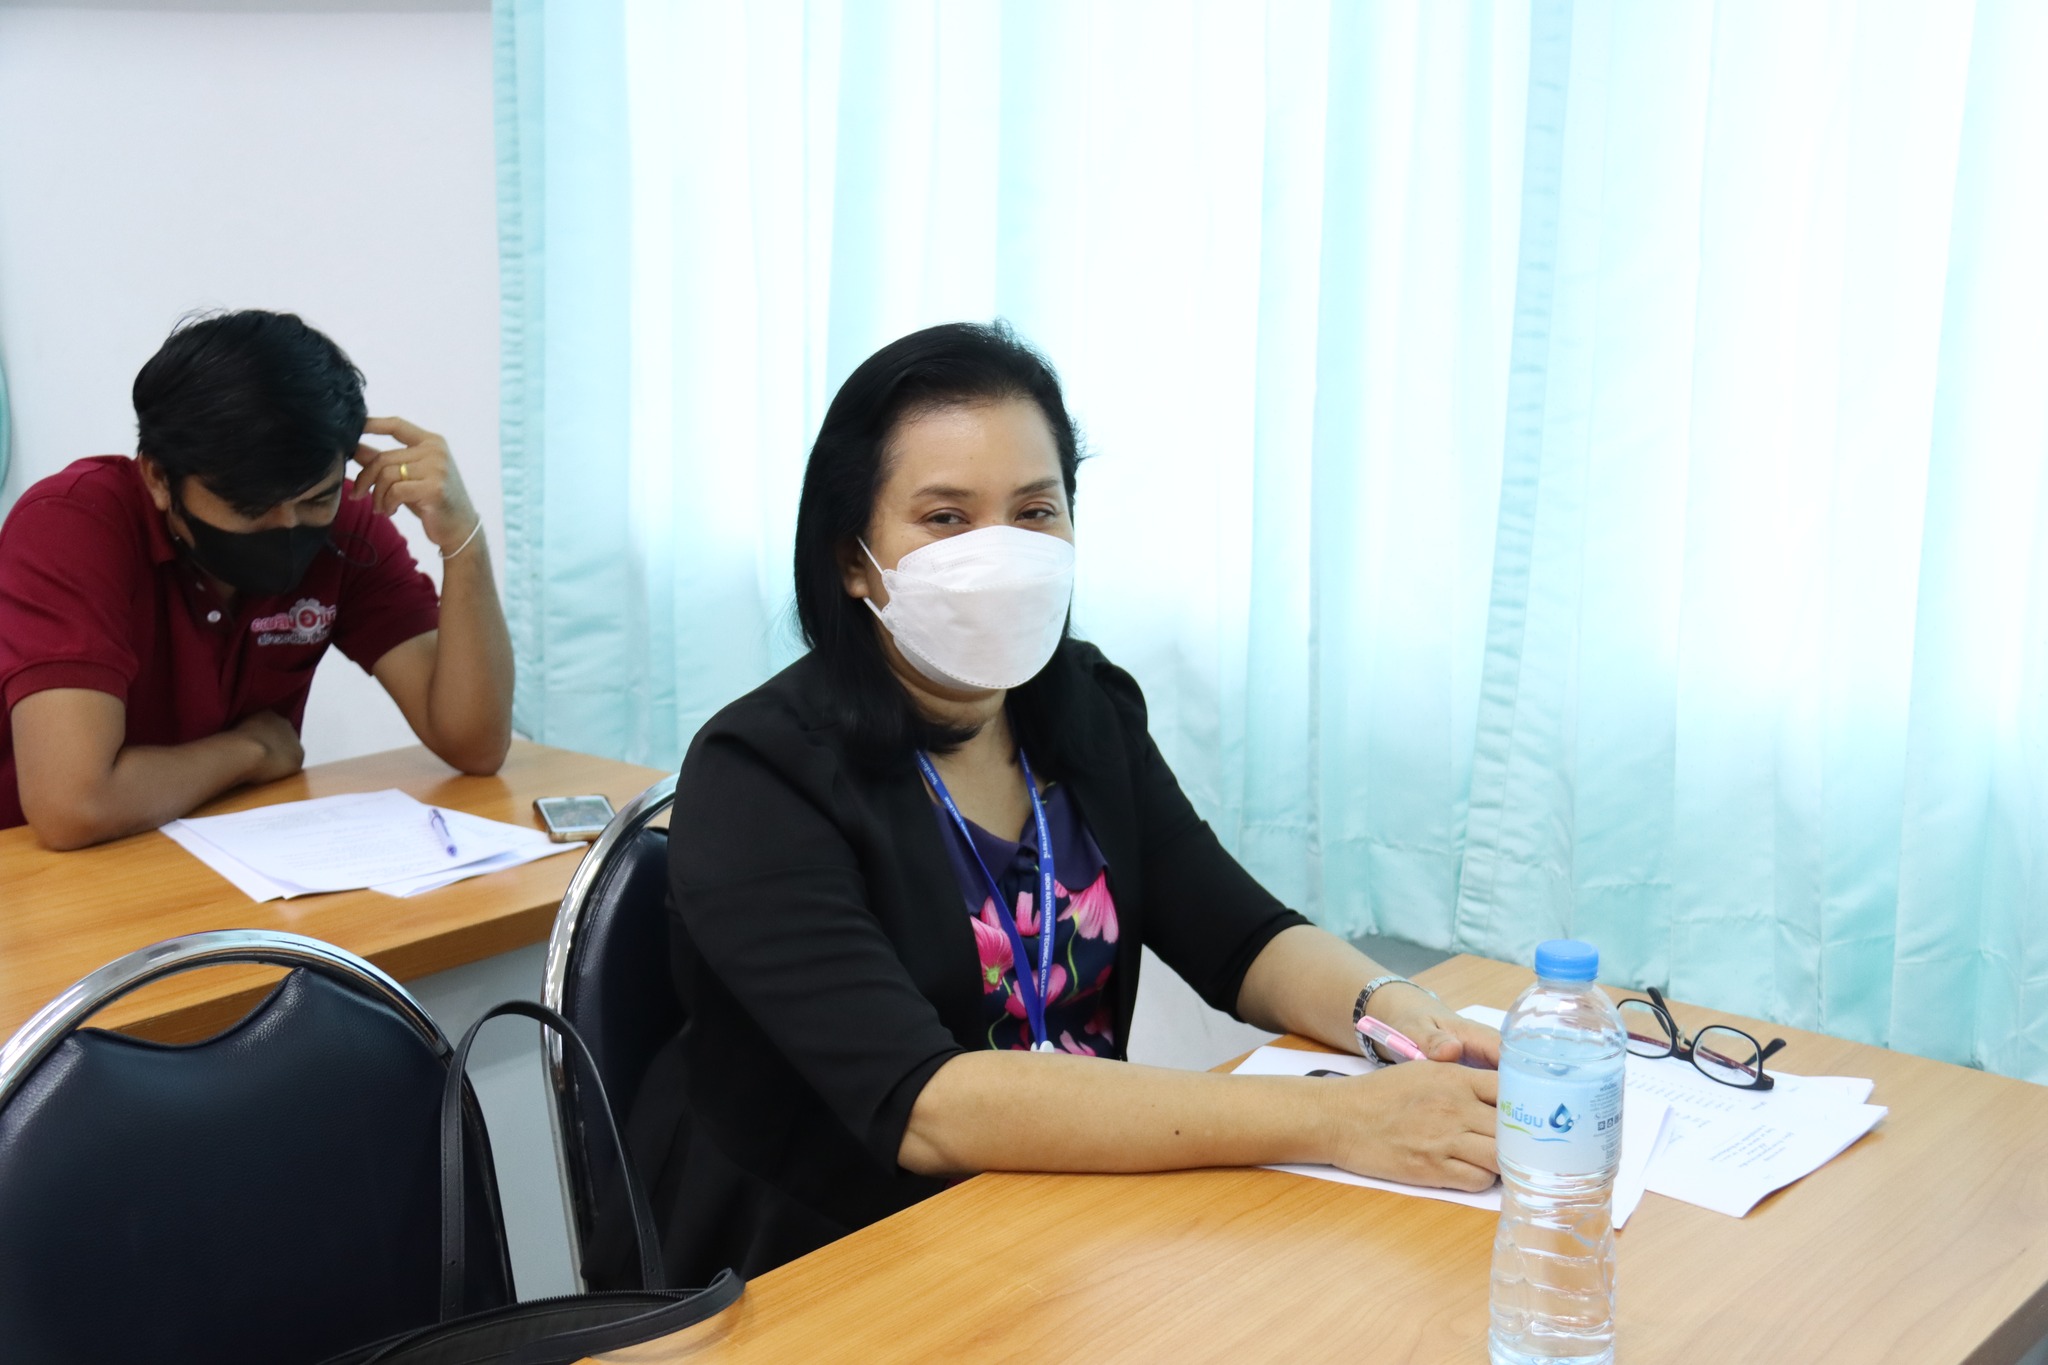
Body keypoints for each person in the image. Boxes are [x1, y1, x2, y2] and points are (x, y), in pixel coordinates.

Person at [622, 321, 1501, 1286]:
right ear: (853, 558)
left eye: (1035, 511)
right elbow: (926, 1104)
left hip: (1069, 1224)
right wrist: (1338, 1118)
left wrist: (1402, 1017)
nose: (1000, 552)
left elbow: (1241, 938)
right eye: (946, 518)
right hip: (827, 1263)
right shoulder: (758, 774)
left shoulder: (1083, 708)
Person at [0, 310, 514, 847]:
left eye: (314, 500)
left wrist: (463, 539)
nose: (288, 526)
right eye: (251, 508)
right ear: (159, 478)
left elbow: (475, 746)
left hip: (233, 852)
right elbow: (75, 805)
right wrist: (252, 751)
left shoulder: (346, 527)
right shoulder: (72, 525)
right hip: (43, 874)